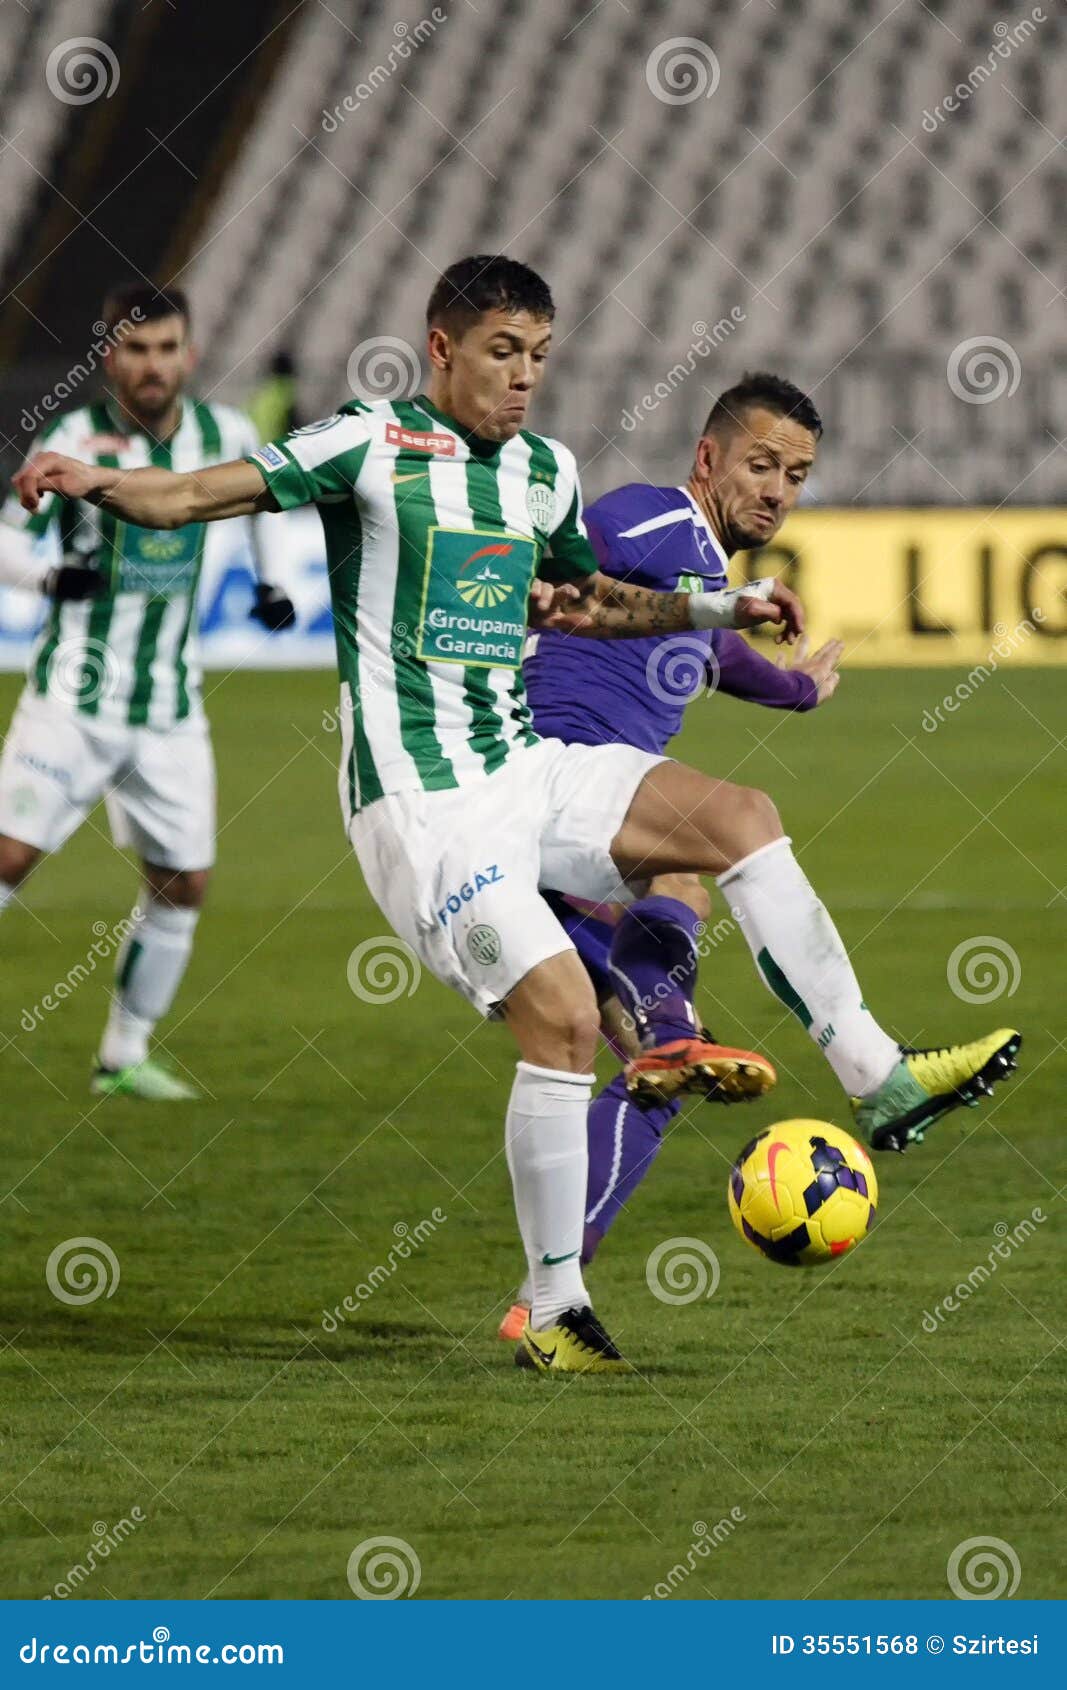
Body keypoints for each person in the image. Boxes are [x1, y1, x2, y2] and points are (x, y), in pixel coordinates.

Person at [12, 256, 1020, 1375]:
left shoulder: (543, 470)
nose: (524, 376)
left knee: (737, 814)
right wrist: (82, 475)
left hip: (523, 765)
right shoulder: (367, 443)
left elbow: (584, 600)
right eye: (502, 351)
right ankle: (552, 1303)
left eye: (538, 354)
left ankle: (878, 1077)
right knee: (563, 1024)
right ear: (440, 348)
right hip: (420, 804)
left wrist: (721, 606)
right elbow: (193, 495)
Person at [497, 374, 844, 1338]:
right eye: (761, 464)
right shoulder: (656, 519)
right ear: (707, 460)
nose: (777, 490)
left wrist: (797, 692)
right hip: (558, 798)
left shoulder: (697, 580)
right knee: (690, 861)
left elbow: (715, 652)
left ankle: (545, 1304)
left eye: (798, 476)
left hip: (559, 835)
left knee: (655, 1074)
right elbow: (583, 553)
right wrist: (520, 580)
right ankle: (789, 1039)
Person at [0, 283, 296, 1099]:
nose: (152, 365)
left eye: (166, 349)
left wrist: (271, 583)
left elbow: (266, 501)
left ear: (189, 354)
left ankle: (122, 1057)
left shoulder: (223, 434)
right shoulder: (74, 437)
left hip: (169, 709)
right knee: (8, 859)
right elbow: (3, 536)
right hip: (72, 699)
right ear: (110, 357)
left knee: (184, 882)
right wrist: (49, 576)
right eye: (136, 349)